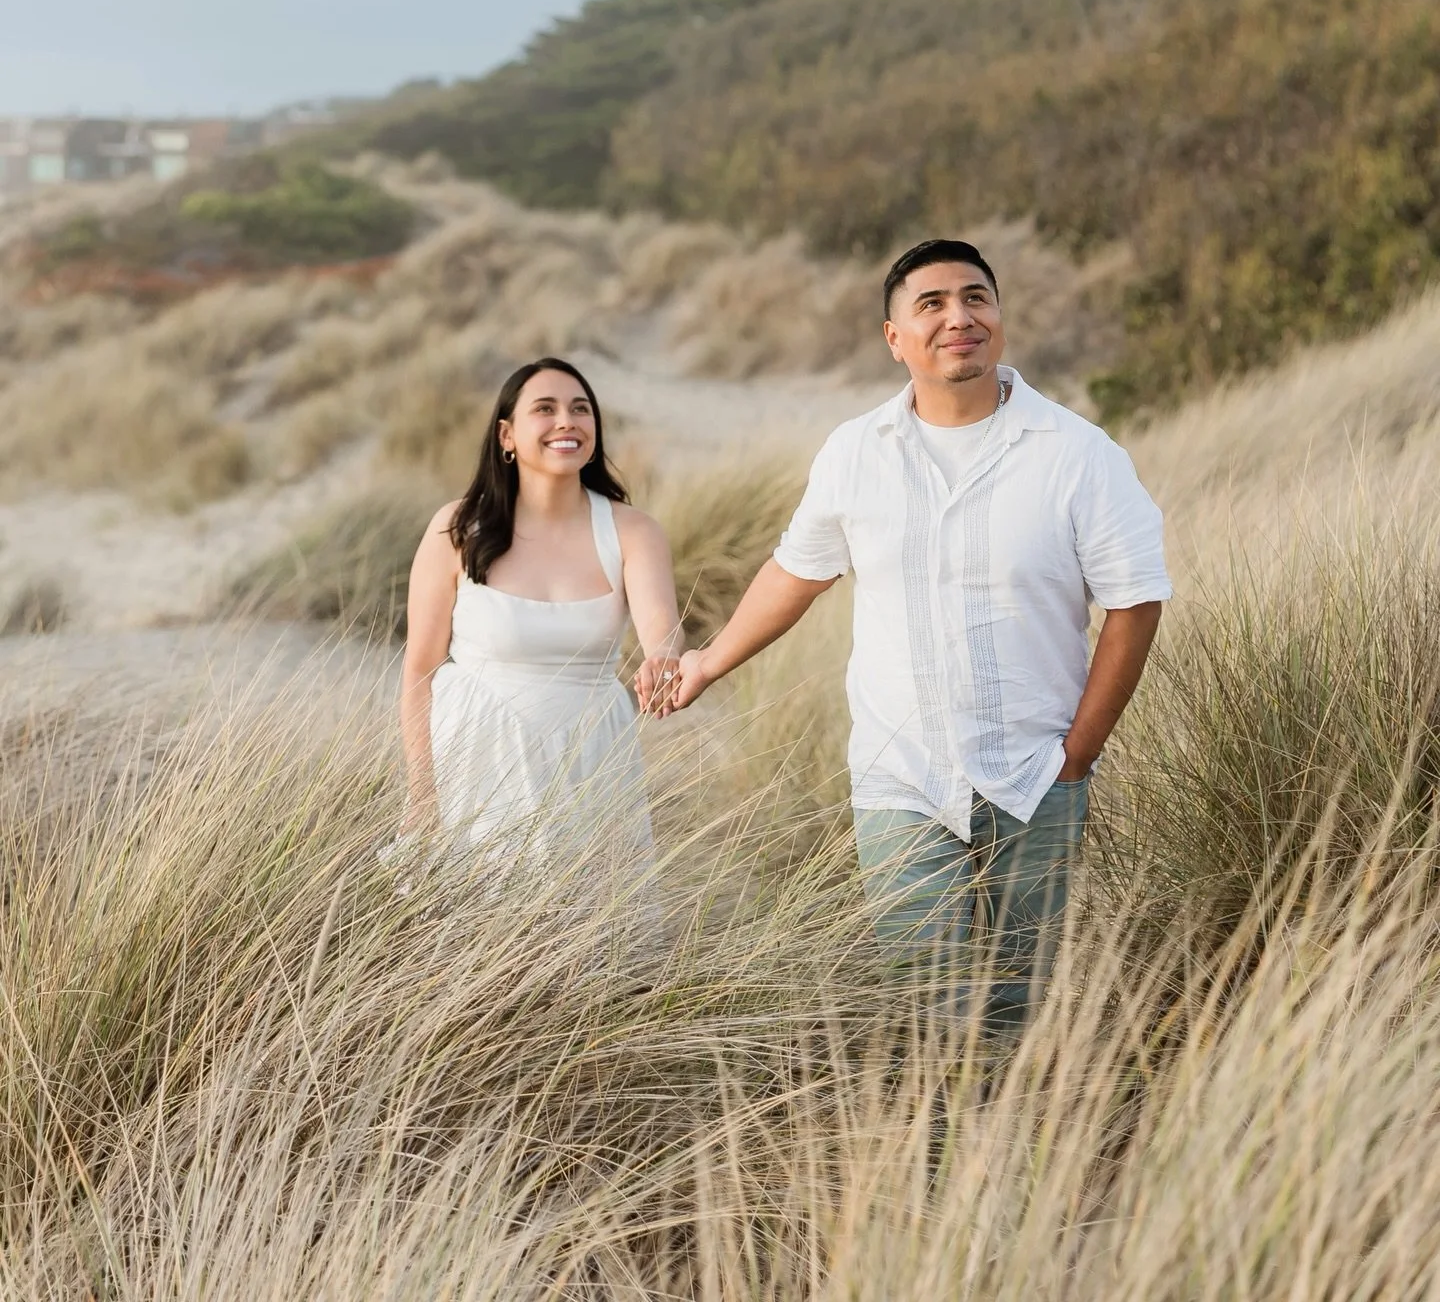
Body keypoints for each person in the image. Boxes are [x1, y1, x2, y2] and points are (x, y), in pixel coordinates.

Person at [657, 239, 1171, 1031]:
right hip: (902, 774)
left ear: (998, 318)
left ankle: (1011, 1151)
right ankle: (938, 1152)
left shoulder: (1079, 454)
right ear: (895, 338)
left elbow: (1135, 602)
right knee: (927, 1008)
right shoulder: (856, 453)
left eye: (976, 298)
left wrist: (1079, 752)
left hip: (1038, 772)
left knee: (1014, 1008)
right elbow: (798, 572)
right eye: (931, 304)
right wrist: (706, 664)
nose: (958, 317)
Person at [399, 357, 684, 863]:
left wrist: (662, 660)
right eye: (545, 409)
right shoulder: (459, 528)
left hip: (591, 757)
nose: (566, 422)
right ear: (506, 435)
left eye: (581, 409)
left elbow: (662, 629)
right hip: (478, 760)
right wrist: (422, 796)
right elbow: (420, 670)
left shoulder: (632, 530)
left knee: (594, 927)